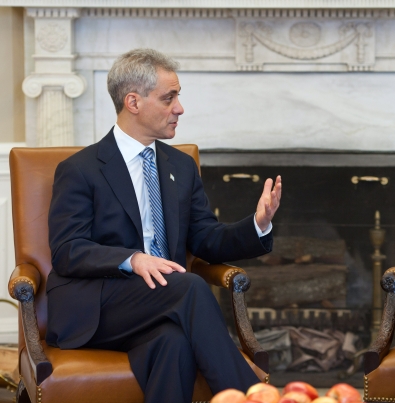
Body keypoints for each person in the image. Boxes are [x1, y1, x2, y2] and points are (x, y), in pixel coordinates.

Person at [45, 48, 282, 403]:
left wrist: (258, 224)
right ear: (133, 102)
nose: (180, 108)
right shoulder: (81, 169)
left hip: (160, 307)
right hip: (97, 307)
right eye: (169, 98)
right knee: (189, 287)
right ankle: (251, 396)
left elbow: (205, 238)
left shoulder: (180, 166)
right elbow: (67, 251)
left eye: (178, 97)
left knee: (173, 344)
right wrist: (133, 259)